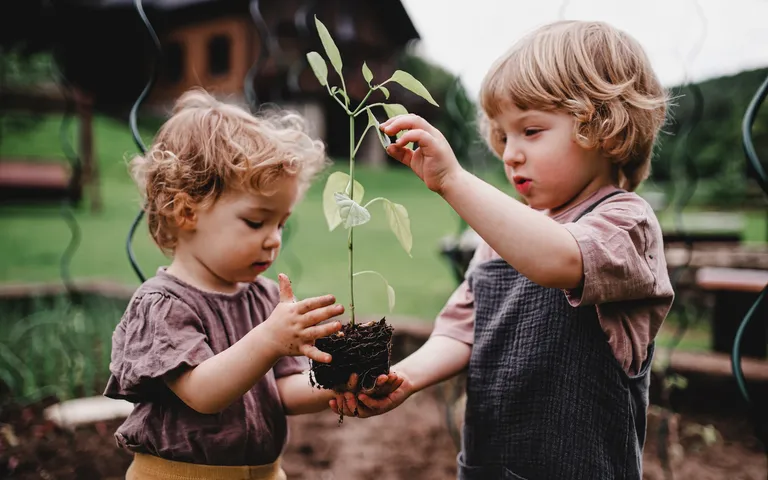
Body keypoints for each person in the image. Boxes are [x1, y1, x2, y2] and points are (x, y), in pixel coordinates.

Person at [331, 20, 675, 480]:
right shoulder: (501, 238)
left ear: (605, 127)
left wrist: (452, 180)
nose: (510, 153)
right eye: (503, 136)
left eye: (531, 131)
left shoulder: (626, 223)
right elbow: (461, 330)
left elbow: (560, 259)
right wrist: (407, 377)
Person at [104, 88, 367, 480]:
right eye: (256, 222)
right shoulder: (162, 305)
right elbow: (202, 393)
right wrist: (271, 340)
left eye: (281, 223)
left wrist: (339, 384)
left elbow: (286, 391)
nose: (274, 238)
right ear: (185, 211)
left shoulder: (263, 298)